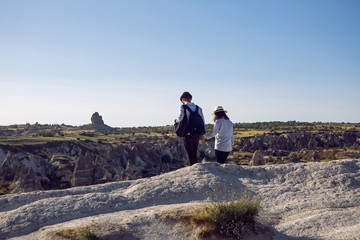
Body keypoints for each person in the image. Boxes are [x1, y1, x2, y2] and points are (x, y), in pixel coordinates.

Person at [175, 91, 205, 166]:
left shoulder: (183, 107)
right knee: (194, 152)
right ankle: (196, 166)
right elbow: (203, 121)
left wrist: (175, 121)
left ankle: (193, 168)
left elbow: (180, 118)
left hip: (187, 133)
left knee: (189, 153)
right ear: (191, 98)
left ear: (182, 99)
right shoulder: (199, 108)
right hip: (197, 133)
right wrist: (202, 133)